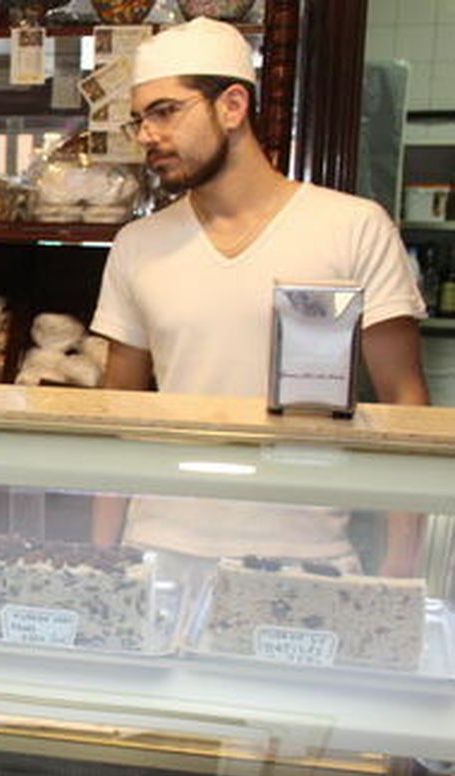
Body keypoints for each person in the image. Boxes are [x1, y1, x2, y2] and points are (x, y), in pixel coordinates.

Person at [89, 18, 429, 581]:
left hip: (307, 556)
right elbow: (116, 413)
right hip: (160, 549)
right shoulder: (137, 245)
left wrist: (402, 559)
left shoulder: (352, 228)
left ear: (232, 105)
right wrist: (104, 558)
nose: (146, 135)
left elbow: (405, 401)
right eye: (139, 119)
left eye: (165, 112)